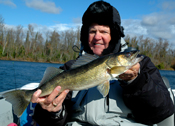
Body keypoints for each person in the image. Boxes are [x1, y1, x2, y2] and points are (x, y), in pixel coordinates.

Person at [31, 1, 174, 126]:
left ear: (114, 35)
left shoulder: (141, 66)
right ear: (85, 35)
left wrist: (136, 82)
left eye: (104, 31)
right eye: (92, 31)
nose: (97, 37)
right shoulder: (71, 68)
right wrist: (53, 112)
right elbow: (45, 120)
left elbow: (161, 111)